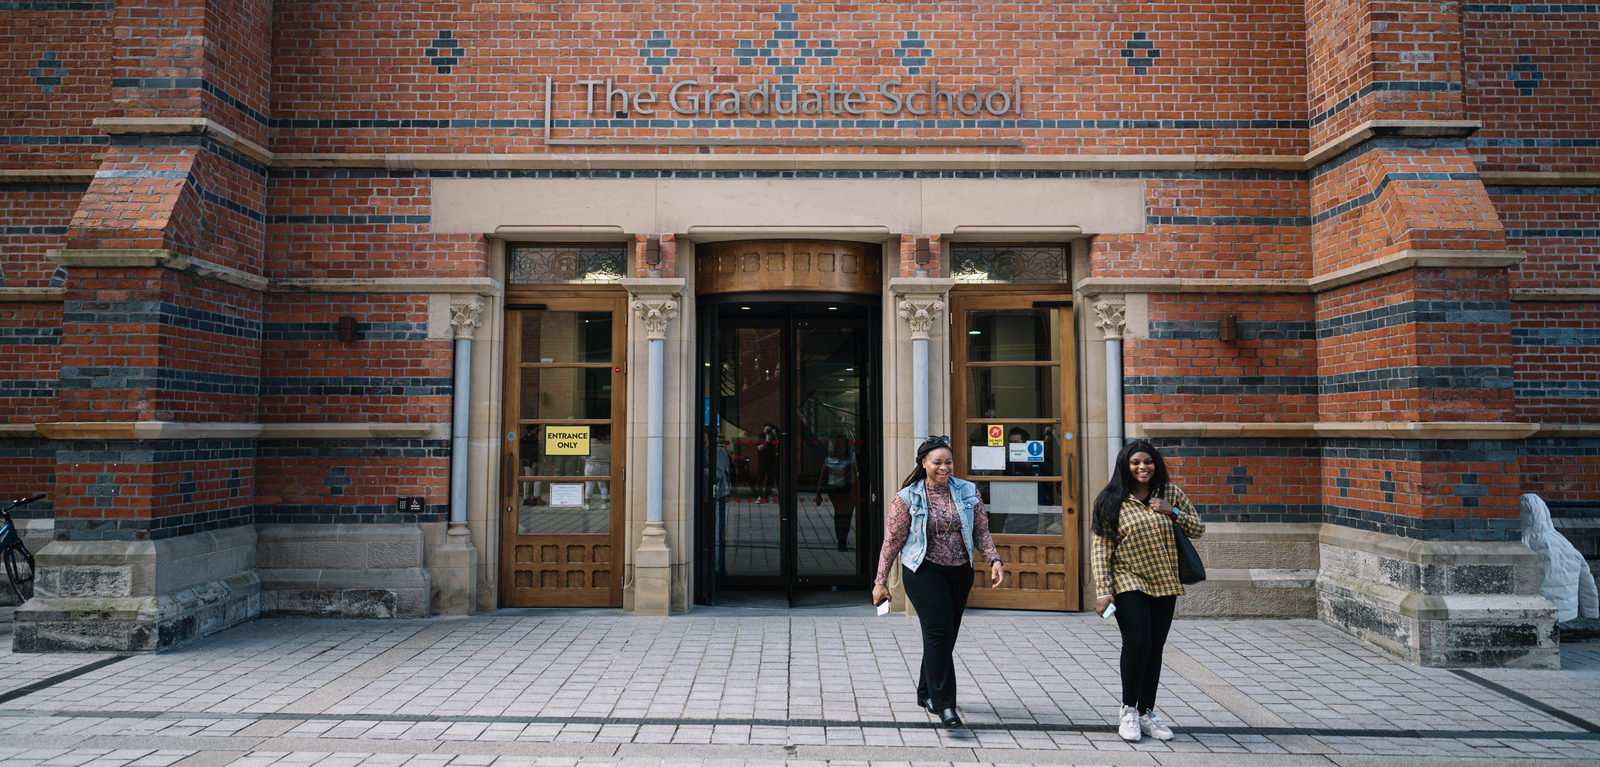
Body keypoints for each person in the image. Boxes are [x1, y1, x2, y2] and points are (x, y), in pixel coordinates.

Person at [872, 436, 1005, 728]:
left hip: (960, 572)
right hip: (923, 571)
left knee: (944, 637)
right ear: (924, 463)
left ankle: (925, 692)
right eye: (937, 462)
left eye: (948, 462)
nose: (944, 467)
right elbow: (892, 542)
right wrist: (880, 580)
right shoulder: (907, 497)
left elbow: (981, 530)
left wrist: (994, 560)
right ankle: (945, 705)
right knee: (939, 635)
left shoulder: (968, 491)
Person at [1091, 441, 1205, 743]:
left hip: (1164, 581)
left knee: (1155, 647)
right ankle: (1127, 709)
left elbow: (1198, 528)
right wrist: (1104, 590)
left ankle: (1146, 712)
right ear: (1125, 466)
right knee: (1138, 642)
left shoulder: (1170, 493)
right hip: (1128, 581)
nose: (1143, 467)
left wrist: (1173, 511)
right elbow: (1101, 548)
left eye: (1148, 461)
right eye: (1135, 462)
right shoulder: (1111, 500)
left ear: (1156, 464)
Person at [815, 434, 858, 552]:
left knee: (838, 514)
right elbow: (854, 476)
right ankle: (842, 541)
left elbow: (822, 478)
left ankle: (840, 540)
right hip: (848, 489)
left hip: (833, 490)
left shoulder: (828, 459)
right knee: (846, 515)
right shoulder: (852, 456)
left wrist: (818, 494)